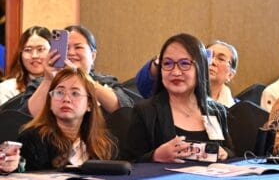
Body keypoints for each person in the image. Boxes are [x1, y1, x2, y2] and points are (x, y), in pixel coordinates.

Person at [121, 33, 234, 163]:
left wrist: (225, 153)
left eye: (184, 64)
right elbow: (128, 163)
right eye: (167, 63)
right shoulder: (145, 111)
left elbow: (231, 152)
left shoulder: (217, 110)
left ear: (200, 68)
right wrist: (154, 156)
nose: (175, 72)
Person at [19, 25, 134, 117]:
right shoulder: (41, 83)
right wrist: (49, 80)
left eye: (78, 47)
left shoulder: (105, 82)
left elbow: (124, 109)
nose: (71, 53)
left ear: (93, 56)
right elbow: (24, 116)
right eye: (66, 48)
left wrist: (82, 78)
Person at [17, 67, 117, 171]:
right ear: (50, 102)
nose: (66, 99)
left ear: (90, 104)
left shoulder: (105, 142)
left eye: (75, 93)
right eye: (59, 93)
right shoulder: (32, 139)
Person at [135, 40, 239, 107]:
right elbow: (144, 85)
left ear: (230, 75)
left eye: (221, 59)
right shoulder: (178, 90)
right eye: (208, 56)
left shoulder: (237, 110)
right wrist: (162, 61)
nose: (212, 62)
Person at [0, 26, 51, 106]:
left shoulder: (62, 86)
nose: (34, 56)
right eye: (28, 50)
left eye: (40, 49)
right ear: (20, 54)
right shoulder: (8, 88)